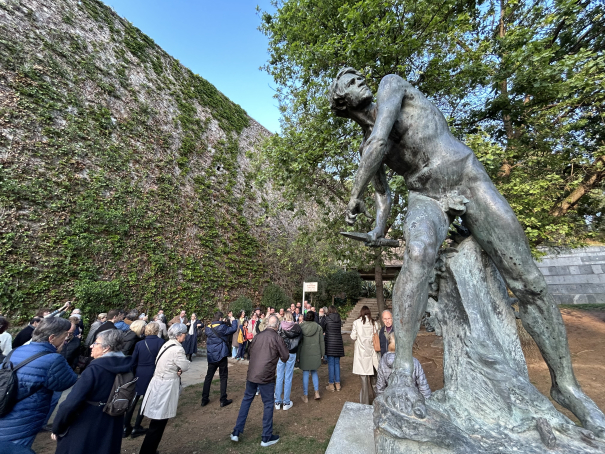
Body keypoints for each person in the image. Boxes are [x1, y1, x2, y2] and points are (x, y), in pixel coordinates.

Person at [330, 67, 605, 434]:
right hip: (424, 196)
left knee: (528, 280)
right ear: (342, 102)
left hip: (465, 176)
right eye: (348, 81)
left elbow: (381, 142)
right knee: (417, 256)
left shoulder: (390, 86)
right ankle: (401, 375)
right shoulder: (366, 147)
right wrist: (377, 228)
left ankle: (567, 387)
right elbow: (384, 193)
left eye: (356, 75)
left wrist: (352, 196)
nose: (359, 79)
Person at [0, 318, 77, 450]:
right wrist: (59, 354)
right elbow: (67, 381)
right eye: (65, 335)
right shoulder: (53, 359)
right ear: (52, 338)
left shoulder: (16, 351)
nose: (66, 340)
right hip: (24, 419)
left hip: (4, 409)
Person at [51, 329, 132, 454]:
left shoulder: (95, 369)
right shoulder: (128, 365)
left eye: (96, 343)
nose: (91, 346)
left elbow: (71, 403)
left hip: (87, 423)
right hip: (113, 421)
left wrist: (57, 426)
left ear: (106, 348)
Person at [231, 315, 289, 447]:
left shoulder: (258, 336)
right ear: (277, 326)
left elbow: (249, 351)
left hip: (252, 374)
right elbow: (285, 356)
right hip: (266, 376)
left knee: (247, 400)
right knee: (268, 404)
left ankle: (236, 432)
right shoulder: (276, 338)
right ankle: (266, 437)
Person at [138, 323, 190, 454]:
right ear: (179, 336)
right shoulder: (178, 349)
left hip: (158, 382)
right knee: (158, 423)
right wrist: (180, 368)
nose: (185, 337)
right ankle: (147, 451)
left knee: (157, 422)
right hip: (165, 386)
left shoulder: (166, 344)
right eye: (184, 334)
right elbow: (184, 365)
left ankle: (150, 449)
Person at [124, 322, 165, 439]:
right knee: (145, 400)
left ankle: (126, 426)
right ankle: (136, 426)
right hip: (152, 372)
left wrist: (134, 372)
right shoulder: (161, 343)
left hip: (140, 372)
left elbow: (133, 361)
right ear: (157, 330)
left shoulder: (140, 344)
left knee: (134, 399)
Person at [376, 332, 431, 399]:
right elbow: (423, 386)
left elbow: (380, 387)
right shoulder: (414, 361)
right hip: (411, 401)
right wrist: (427, 402)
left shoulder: (383, 361)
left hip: (391, 401)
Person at [201, 311, 238, 407]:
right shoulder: (222, 327)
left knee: (208, 377)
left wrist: (224, 322)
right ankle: (223, 399)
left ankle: (204, 399)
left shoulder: (208, 328)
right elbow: (233, 329)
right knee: (223, 377)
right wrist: (233, 321)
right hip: (221, 354)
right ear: (221, 318)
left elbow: (218, 330)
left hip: (212, 355)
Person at [351, 305, 379, 405]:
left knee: (364, 383)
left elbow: (353, 337)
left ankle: (365, 403)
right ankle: (378, 402)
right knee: (374, 381)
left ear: (361, 313)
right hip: (372, 355)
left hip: (361, 357)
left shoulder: (356, 323)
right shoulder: (374, 323)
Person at [274, 312, 302, 410]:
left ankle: (277, 401)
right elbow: (300, 339)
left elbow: (277, 339)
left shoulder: (280, 326)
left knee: (280, 376)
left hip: (282, 352)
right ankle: (286, 402)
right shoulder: (297, 327)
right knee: (288, 376)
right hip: (292, 353)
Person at [299, 311, 325, 402]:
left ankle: (305, 396)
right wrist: (322, 353)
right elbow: (321, 341)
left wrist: (298, 355)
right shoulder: (318, 327)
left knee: (305, 373)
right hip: (315, 352)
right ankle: (316, 392)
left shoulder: (301, 327)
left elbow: (299, 343)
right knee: (314, 372)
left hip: (304, 353)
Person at [324, 305, 345, 392]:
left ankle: (331, 384)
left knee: (331, 364)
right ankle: (338, 384)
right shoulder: (339, 319)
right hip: (338, 343)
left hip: (330, 343)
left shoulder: (326, 318)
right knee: (337, 363)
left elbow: (323, 328)